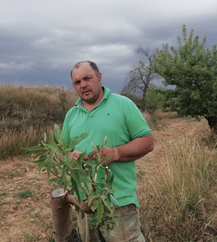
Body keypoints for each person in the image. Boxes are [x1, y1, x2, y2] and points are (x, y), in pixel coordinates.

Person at [61, 61, 154, 242]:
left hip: (118, 202)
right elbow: (61, 151)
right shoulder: (71, 114)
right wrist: (70, 157)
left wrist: (116, 153)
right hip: (85, 202)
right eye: (77, 82)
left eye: (87, 78)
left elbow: (147, 142)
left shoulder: (124, 105)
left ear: (99, 77)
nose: (83, 85)